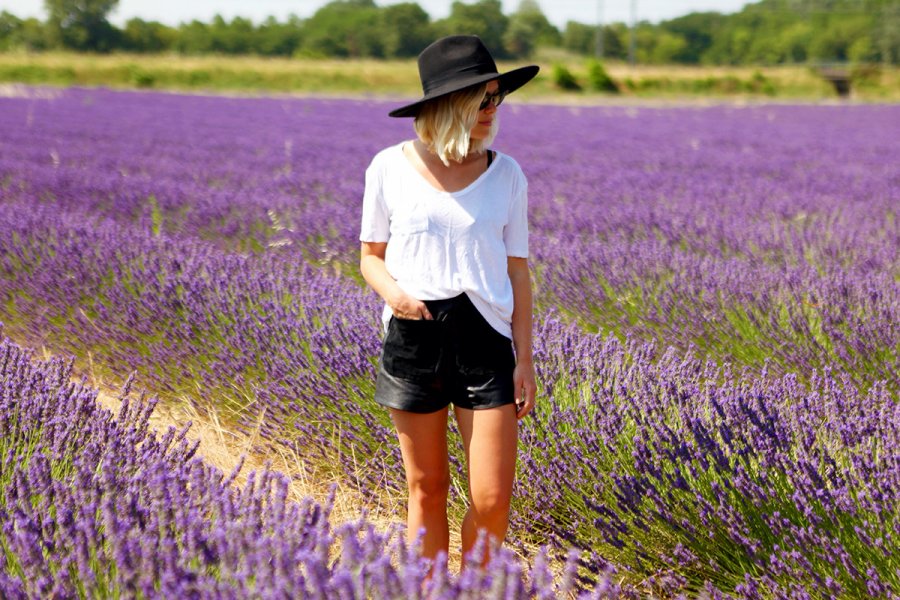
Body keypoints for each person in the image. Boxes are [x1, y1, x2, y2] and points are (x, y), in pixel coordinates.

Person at [358, 35, 538, 570]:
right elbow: (370, 257)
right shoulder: (387, 167)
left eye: (495, 98)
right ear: (447, 104)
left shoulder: (507, 174)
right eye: (480, 100)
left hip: (487, 342)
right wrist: (399, 297)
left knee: (491, 501)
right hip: (414, 339)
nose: (492, 111)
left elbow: (518, 271)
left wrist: (525, 358)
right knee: (427, 488)